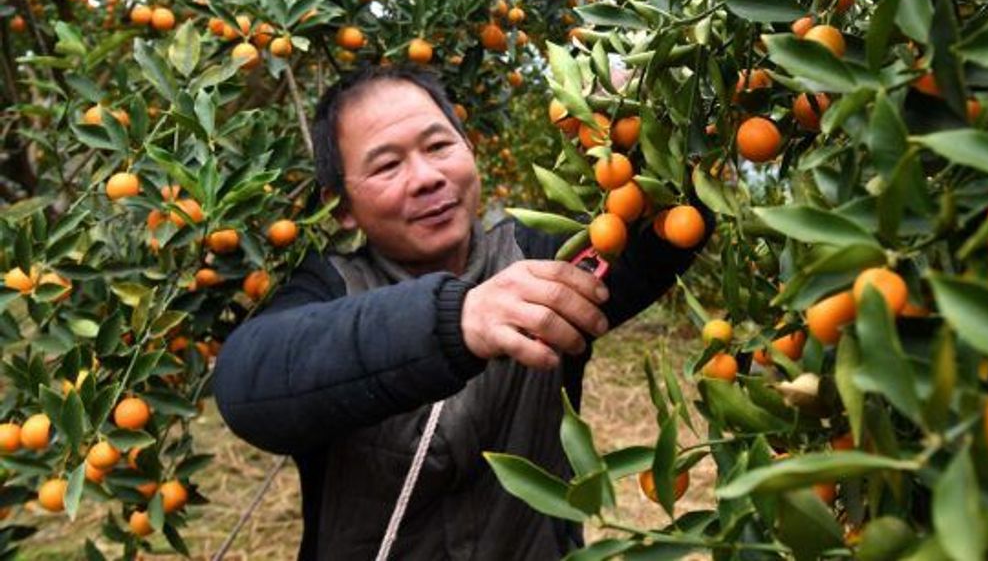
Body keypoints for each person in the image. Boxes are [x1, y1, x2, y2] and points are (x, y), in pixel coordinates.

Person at [213, 63, 708, 560]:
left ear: (469, 150)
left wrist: (656, 103)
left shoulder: (545, 263)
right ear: (341, 207)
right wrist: (454, 320)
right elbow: (249, 380)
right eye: (387, 165)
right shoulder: (330, 289)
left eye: (439, 146)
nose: (426, 178)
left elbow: (672, 226)